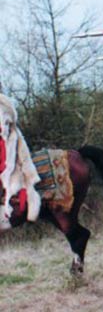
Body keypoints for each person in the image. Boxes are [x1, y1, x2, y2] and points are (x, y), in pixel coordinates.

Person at [0, 94, 40, 229]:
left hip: (9, 166)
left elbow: (23, 154)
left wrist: (30, 173)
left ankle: (5, 216)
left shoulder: (7, 115)